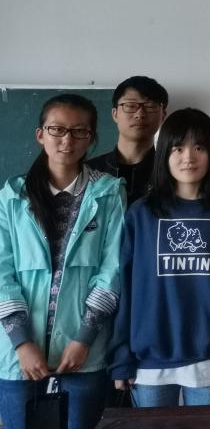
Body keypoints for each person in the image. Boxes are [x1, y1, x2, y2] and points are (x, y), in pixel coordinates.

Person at [110, 109, 210, 408]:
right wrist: (120, 355)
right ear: (164, 154)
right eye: (177, 148)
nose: (188, 157)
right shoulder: (142, 214)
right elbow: (124, 288)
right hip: (149, 360)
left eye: (199, 147)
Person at [0, 94, 125, 429]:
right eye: (57, 129)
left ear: (91, 138)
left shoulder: (109, 193)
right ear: (40, 134)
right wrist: (22, 343)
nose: (67, 140)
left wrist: (84, 338)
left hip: (83, 351)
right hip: (17, 354)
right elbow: (2, 273)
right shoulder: (11, 197)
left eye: (79, 131)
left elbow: (112, 269)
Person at [87, 76, 168, 204]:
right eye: (130, 106)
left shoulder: (170, 171)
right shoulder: (89, 171)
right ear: (115, 114)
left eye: (150, 106)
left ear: (163, 115)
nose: (140, 114)